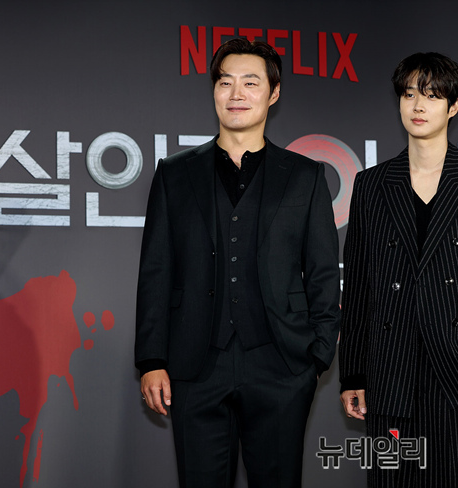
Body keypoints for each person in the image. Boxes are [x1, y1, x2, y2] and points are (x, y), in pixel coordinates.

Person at [134, 38, 341, 488]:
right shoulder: (175, 173)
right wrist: (151, 359)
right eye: (225, 82)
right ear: (214, 90)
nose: (236, 93)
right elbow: (156, 270)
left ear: (273, 92)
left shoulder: (305, 176)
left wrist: (317, 356)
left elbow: (324, 272)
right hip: (194, 364)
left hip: (282, 364)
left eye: (250, 82)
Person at [339, 52, 458, 488]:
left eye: (432, 96)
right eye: (409, 95)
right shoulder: (372, 183)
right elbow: (360, 284)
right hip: (389, 372)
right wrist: (353, 373)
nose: (418, 106)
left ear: (453, 106)